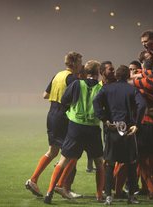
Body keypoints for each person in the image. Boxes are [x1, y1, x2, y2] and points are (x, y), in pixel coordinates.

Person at [43, 61, 104, 204]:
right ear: (98, 73)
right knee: (99, 162)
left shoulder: (77, 84)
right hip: (93, 128)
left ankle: (49, 192)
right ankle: (99, 196)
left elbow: (64, 99)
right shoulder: (101, 88)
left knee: (64, 159)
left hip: (76, 127)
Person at [25, 51, 82, 198]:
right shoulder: (73, 79)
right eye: (80, 63)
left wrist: (57, 97)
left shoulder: (58, 75)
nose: (81, 66)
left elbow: (45, 95)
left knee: (52, 151)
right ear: (75, 64)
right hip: (63, 118)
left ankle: (33, 180)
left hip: (51, 116)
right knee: (71, 154)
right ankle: (61, 186)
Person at [93, 65, 146, 205]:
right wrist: (137, 124)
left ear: (116, 76)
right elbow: (142, 105)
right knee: (131, 163)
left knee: (110, 163)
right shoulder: (133, 89)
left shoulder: (106, 88)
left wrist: (105, 120)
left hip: (113, 128)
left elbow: (95, 101)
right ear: (128, 76)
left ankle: (109, 197)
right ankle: (131, 197)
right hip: (128, 128)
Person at [128, 61, 153, 199]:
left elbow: (128, 83)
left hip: (147, 124)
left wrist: (133, 76)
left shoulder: (146, 82)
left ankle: (152, 189)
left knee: (141, 158)